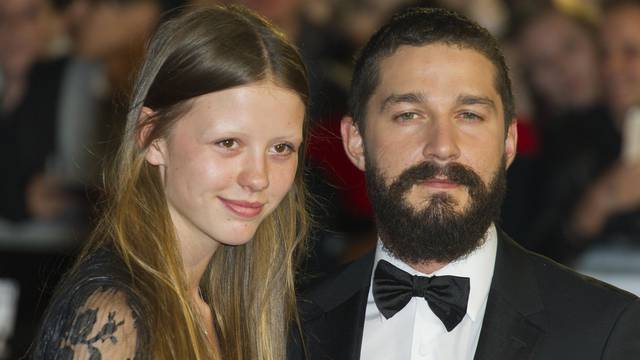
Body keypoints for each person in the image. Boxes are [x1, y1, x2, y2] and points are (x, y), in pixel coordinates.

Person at [289, 7, 640, 360]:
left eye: (469, 115)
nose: (442, 146)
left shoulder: (606, 330)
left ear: (509, 143)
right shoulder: (288, 326)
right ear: (356, 142)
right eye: (409, 115)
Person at [33, 5, 309, 359]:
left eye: (281, 148)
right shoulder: (112, 317)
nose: (258, 178)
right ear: (151, 137)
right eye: (228, 143)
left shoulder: (232, 310)